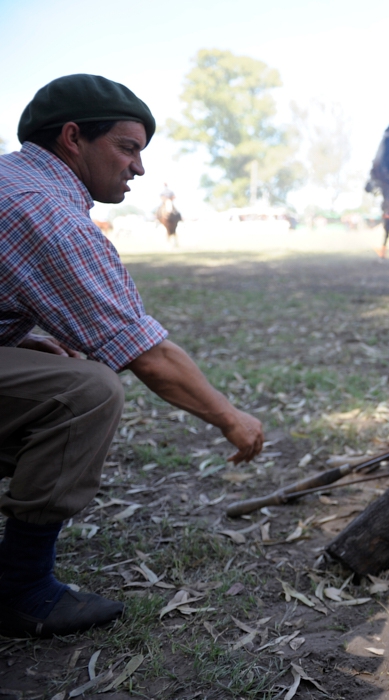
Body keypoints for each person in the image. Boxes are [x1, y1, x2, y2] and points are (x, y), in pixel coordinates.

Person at [0, 74, 264, 638]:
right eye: (127, 148)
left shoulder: (12, 181)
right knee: (86, 390)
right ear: (73, 137)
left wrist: (20, 341)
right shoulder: (45, 211)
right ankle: (21, 588)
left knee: (58, 364)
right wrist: (230, 417)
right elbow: (146, 354)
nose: (138, 169)